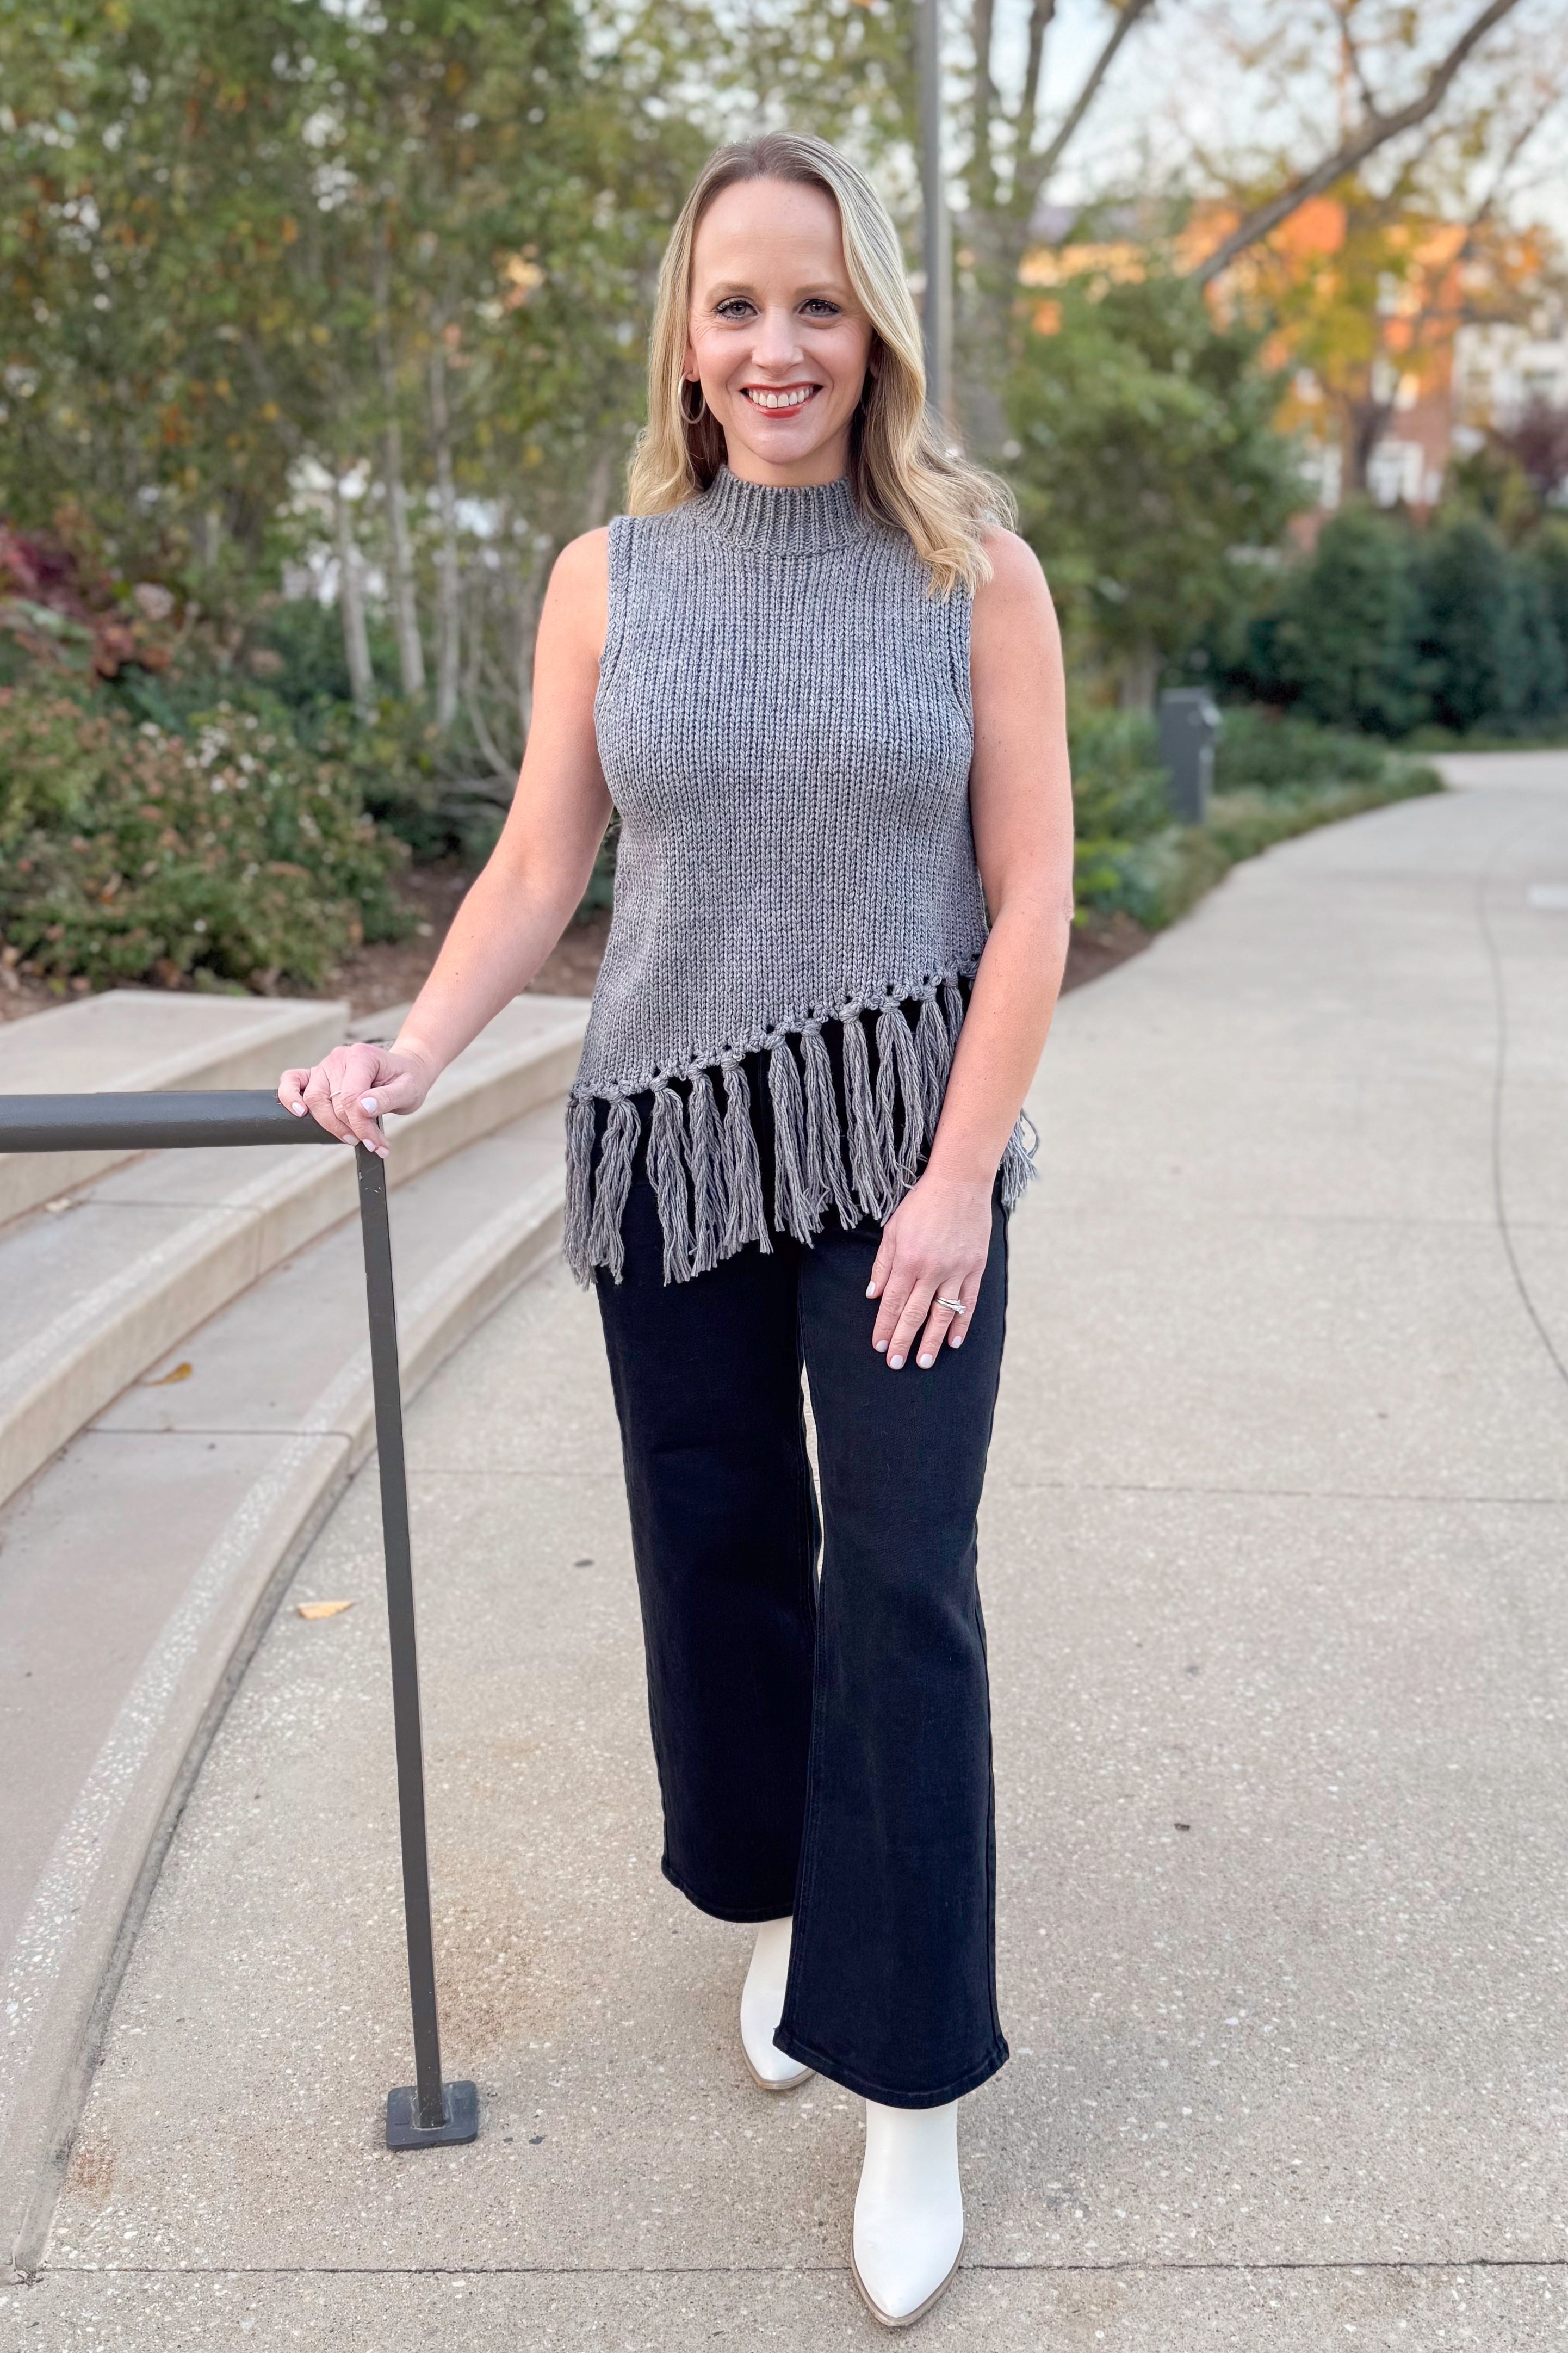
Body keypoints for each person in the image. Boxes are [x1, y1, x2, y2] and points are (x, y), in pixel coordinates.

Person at [280, 129, 1073, 2330]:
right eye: (736, 304)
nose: (777, 343)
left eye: (816, 301)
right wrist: (412, 1051)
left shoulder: (975, 576)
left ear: (875, 324)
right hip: (675, 1143)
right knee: (714, 1557)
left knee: (899, 1584)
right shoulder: (606, 573)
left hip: (904, 1155)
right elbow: (544, 865)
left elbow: (1035, 898)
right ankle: (778, 1895)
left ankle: (908, 2080)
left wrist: (950, 1179)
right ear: (687, 338)